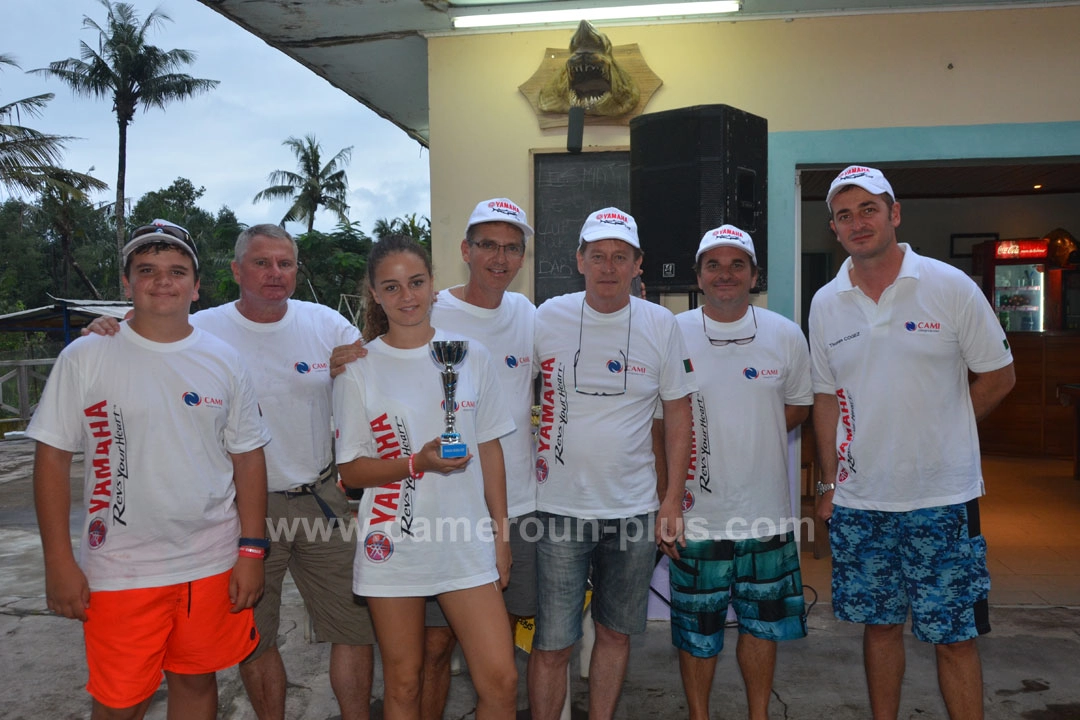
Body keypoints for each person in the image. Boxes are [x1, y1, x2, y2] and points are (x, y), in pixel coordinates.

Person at [84, 223, 377, 720]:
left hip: (320, 498)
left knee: (353, 629)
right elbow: (144, 333)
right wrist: (105, 330)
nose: (274, 273)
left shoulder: (326, 324)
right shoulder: (204, 328)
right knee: (254, 637)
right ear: (237, 271)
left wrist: (381, 345)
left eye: (285, 263)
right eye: (261, 263)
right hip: (242, 509)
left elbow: (382, 366)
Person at [29, 220, 271, 720]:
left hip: (210, 560)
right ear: (127, 283)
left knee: (196, 682)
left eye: (177, 271)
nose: (163, 281)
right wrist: (58, 560)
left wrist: (251, 551)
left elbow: (248, 457)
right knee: (121, 702)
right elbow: (52, 457)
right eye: (147, 270)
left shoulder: (224, 360)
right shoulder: (86, 355)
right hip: (120, 566)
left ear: (197, 286)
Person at [809, 166, 1016, 720]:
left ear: (894, 214)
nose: (858, 223)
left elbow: (999, 376)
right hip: (862, 502)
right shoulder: (826, 302)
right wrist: (828, 485)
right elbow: (825, 398)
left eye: (869, 210)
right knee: (879, 630)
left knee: (954, 636)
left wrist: (946, 424)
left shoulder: (949, 286)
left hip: (941, 500)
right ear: (834, 228)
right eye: (845, 215)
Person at [331, 198, 538, 719]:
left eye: (417, 282)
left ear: (432, 284)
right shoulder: (358, 369)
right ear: (374, 292)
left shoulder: (471, 355)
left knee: (501, 679)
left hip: (466, 541)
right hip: (394, 542)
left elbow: (489, 448)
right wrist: (416, 463)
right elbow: (351, 471)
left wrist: (501, 535)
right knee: (404, 683)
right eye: (392, 286)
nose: (407, 296)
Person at [528, 208, 697, 720]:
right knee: (552, 643)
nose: (608, 267)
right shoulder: (546, 316)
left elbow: (678, 414)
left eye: (620, 257)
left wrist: (671, 500)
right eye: (597, 256)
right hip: (558, 508)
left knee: (615, 634)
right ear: (579, 260)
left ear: (638, 264)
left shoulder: (661, 324)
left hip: (633, 510)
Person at [666, 224, 811, 720]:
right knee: (696, 633)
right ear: (698, 276)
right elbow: (659, 423)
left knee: (762, 629)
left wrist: (752, 432)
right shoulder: (672, 333)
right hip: (696, 518)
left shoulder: (785, 334)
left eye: (736, 265)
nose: (724, 274)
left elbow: (797, 408)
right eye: (713, 265)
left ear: (754, 275)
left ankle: (759, 714)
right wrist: (667, 498)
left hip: (765, 514)